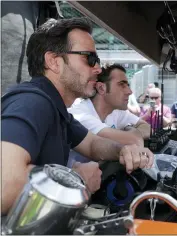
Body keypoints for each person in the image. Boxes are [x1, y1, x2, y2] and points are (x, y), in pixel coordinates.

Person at [1, 18, 154, 215]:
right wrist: (74, 181)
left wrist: (123, 151)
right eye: (89, 58)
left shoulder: (57, 109)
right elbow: (4, 184)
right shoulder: (33, 103)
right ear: (54, 62)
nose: (97, 69)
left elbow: (92, 144)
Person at [67, 63, 151, 167]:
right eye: (122, 85)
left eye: (127, 85)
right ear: (101, 88)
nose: (129, 91)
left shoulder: (116, 111)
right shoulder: (81, 115)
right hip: (74, 180)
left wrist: (129, 129)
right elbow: (134, 140)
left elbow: (147, 127)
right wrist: (132, 133)